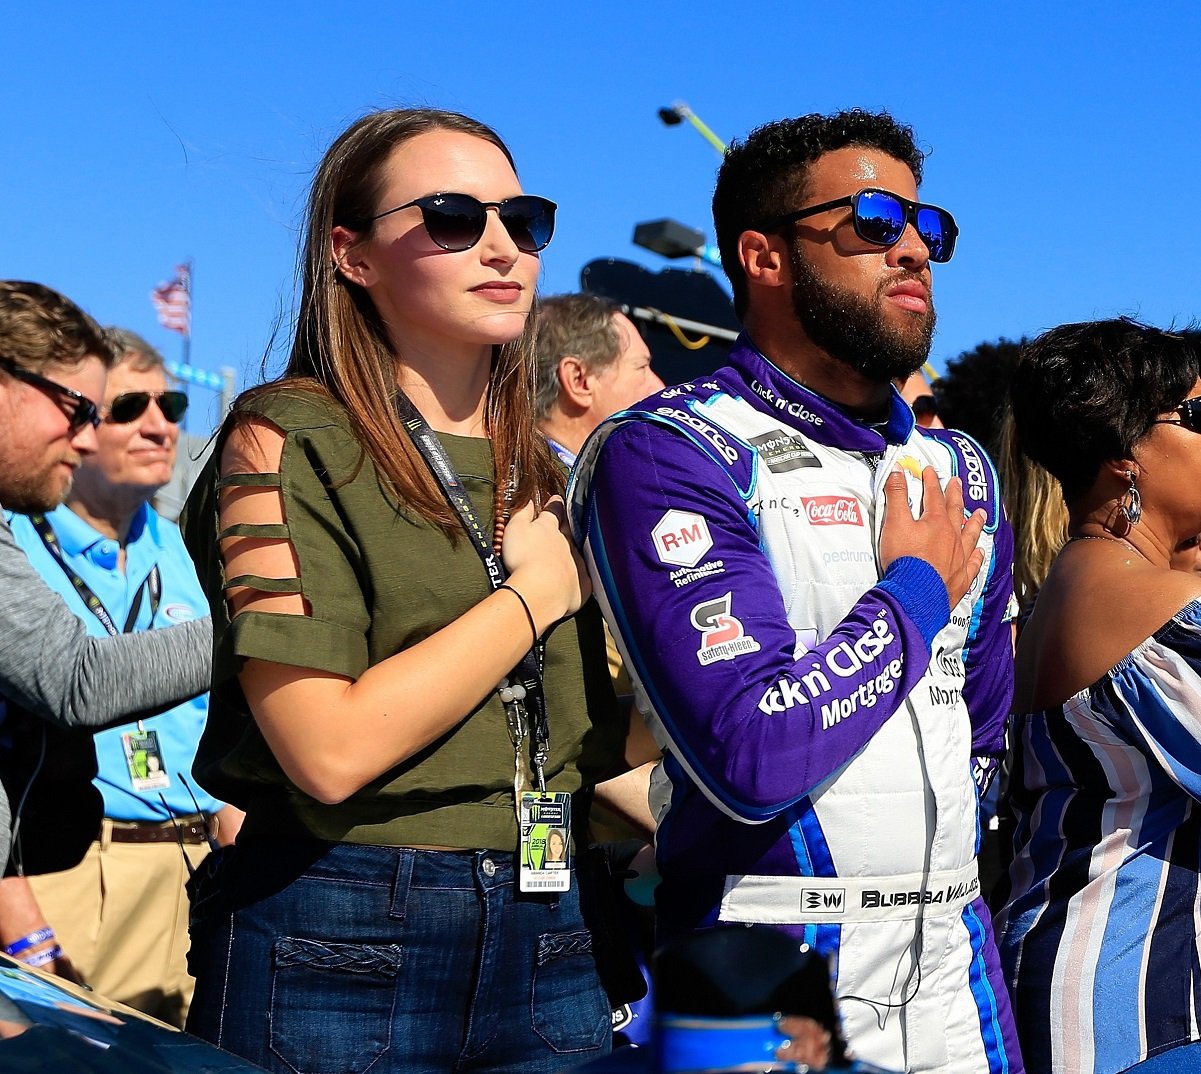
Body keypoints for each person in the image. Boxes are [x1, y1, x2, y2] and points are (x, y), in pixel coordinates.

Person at [569, 110, 1022, 1074]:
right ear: (764, 257)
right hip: (764, 953)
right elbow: (747, 755)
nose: (910, 249)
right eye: (869, 221)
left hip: (953, 952)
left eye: (923, 226)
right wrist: (910, 594)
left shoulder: (961, 470)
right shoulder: (672, 448)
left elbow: (983, 731)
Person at [180, 108, 626, 1074]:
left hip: (553, 919)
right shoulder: (287, 435)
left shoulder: (547, 474)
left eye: (524, 219)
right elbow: (327, 749)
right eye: (453, 217)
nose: (502, 245)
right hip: (336, 926)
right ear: (352, 254)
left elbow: (588, 741)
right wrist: (527, 600)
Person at [6, 329, 241, 1025]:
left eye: (170, 403)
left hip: (201, 863)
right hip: (74, 873)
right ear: (74, 425)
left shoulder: (191, 542)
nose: (160, 423)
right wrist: (19, 916)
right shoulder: (14, 543)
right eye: (130, 405)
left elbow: (226, 713)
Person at [992, 320, 1201, 1073]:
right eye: (1200, 417)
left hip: (1101, 990)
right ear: (1122, 457)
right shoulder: (1148, 600)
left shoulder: (1085, 575)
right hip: (1134, 1010)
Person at [534, 293, 664, 467]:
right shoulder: (529, 488)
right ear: (578, 379)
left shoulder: (516, 476)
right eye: (641, 367)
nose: (660, 388)